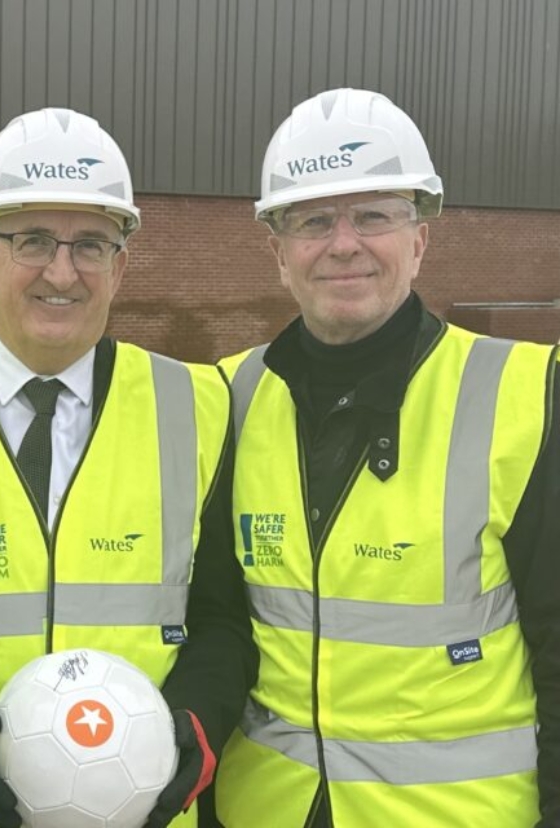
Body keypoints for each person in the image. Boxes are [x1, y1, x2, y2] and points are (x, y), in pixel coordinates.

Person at [0, 107, 258, 828]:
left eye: (91, 245)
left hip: (141, 810)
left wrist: (198, 721)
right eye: (32, 240)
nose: (62, 273)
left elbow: (224, 616)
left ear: (120, 267)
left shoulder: (199, 405)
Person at [214, 87, 560, 828]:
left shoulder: (528, 397)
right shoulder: (226, 400)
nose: (343, 243)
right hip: (265, 811)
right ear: (277, 251)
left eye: (373, 215)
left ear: (419, 239)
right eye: (312, 220)